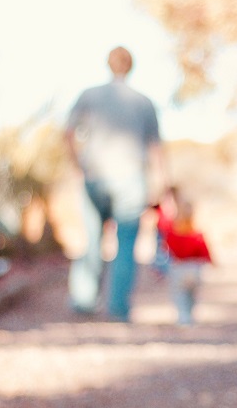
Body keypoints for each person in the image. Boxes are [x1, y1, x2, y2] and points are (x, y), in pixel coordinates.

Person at [64, 46, 168, 321]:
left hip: (94, 175)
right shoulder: (144, 102)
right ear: (131, 67)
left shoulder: (88, 95)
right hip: (131, 180)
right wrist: (162, 184)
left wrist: (78, 165)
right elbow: (156, 147)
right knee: (125, 243)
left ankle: (84, 302)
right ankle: (118, 308)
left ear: (108, 65)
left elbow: (68, 133)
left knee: (92, 239)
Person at [154, 187, 213, 325]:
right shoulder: (198, 235)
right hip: (195, 269)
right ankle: (190, 315)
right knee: (192, 294)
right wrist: (212, 262)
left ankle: (183, 317)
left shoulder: (173, 234)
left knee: (179, 295)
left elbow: (165, 248)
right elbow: (205, 252)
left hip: (179, 268)